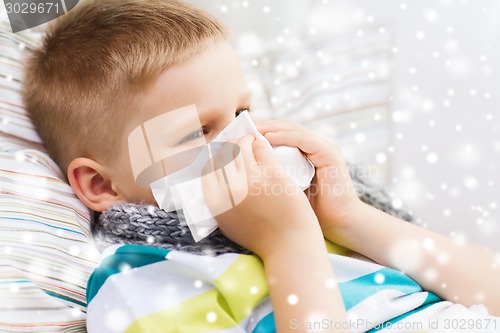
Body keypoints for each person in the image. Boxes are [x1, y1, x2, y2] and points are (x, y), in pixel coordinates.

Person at [23, 0, 499, 331]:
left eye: (243, 113)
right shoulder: (139, 284)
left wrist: (350, 219)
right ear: (102, 184)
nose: (244, 140)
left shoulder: (314, 215)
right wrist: (287, 243)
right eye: (198, 132)